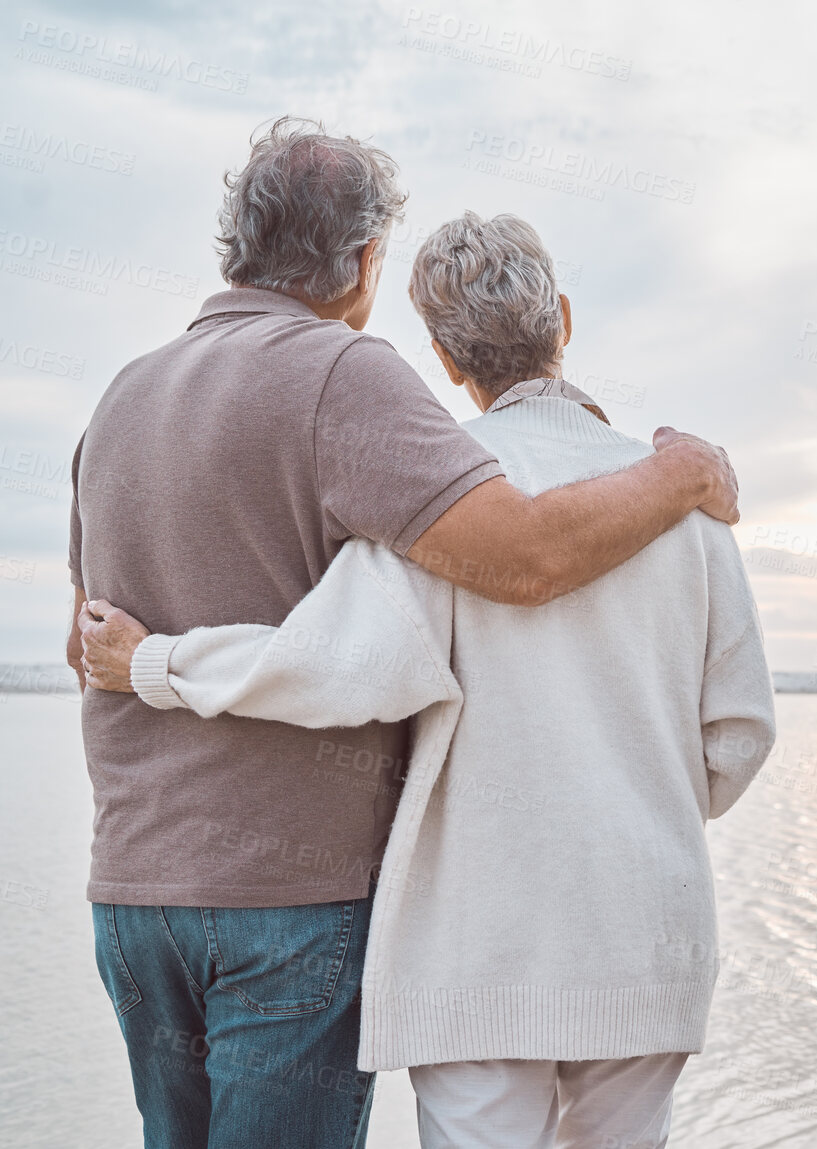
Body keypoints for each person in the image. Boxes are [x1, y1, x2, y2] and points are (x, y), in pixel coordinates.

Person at [67, 118, 741, 1149]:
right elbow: (540, 569)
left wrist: (145, 661)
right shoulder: (361, 390)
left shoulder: (122, 398)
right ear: (363, 262)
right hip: (542, 924)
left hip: (158, 897)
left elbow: (126, 641)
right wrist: (681, 475)